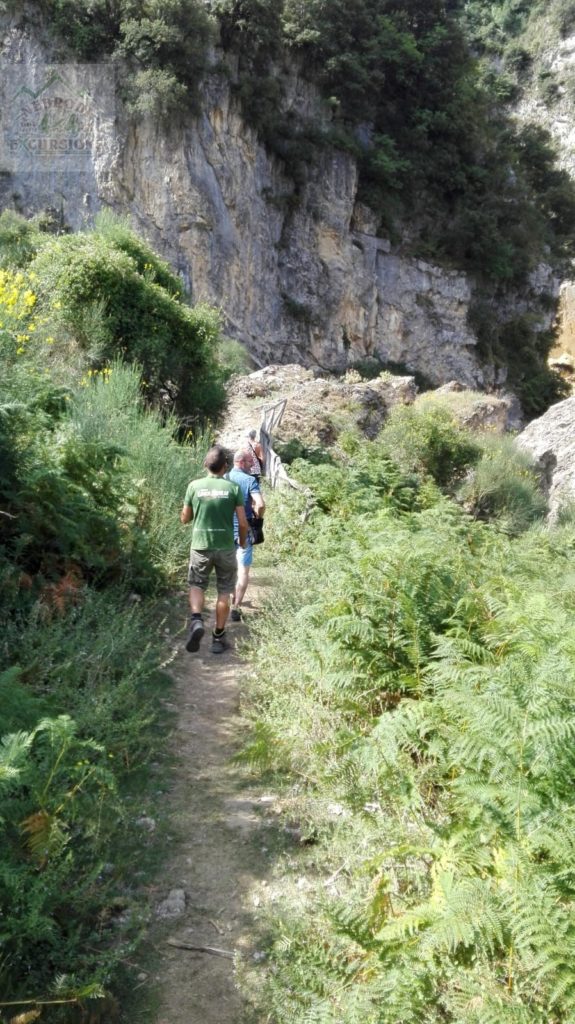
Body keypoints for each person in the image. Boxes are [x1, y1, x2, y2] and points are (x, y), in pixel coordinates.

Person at [180, 445, 248, 654]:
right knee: (224, 591)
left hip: (200, 546)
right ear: (225, 467)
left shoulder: (193, 486)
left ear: (205, 465)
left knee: (197, 585)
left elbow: (185, 518)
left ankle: (196, 620)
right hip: (226, 547)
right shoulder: (233, 488)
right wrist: (243, 542)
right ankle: (218, 638)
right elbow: (243, 522)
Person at [227, 449, 265, 621]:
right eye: (250, 462)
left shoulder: (223, 479)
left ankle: (228, 598)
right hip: (244, 530)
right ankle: (236, 606)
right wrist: (258, 517)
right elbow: (261, 504)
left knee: (228, 568)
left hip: (225, 531)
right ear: (241, 462)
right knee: (243, 570)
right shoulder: (250, 480)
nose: (252, 465)